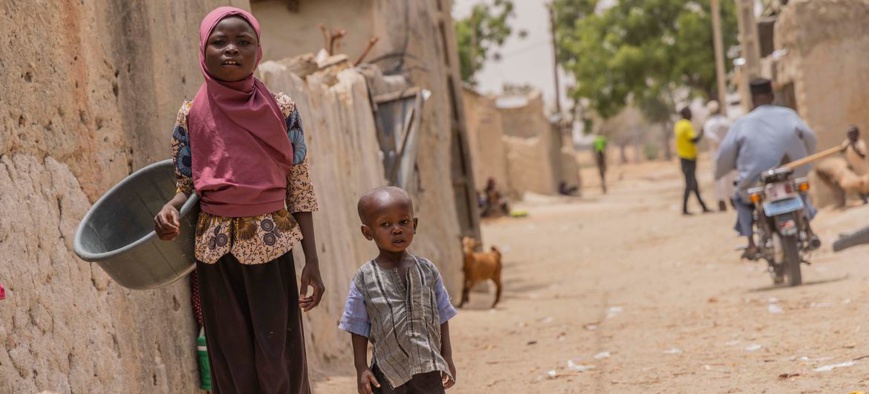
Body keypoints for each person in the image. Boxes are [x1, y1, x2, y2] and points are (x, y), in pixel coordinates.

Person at [153, 7, 325, 393]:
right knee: (230, 357)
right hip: (215, 253)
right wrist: (169, 210)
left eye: (243, 42)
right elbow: (186, 184)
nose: (231, 49)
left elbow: (298, 184)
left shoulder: (281, 109)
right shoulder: (190, 113)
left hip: (273, 245)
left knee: (277, 353)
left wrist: (311, 259)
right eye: (219, 42)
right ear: (203, 49)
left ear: (258, 52)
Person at [339, 186, 458, 394]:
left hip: (428, 367)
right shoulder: (364, 278)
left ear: (415, 225)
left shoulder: (427, 270)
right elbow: (357, 325)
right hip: (387, 372)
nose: (397, 229)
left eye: (404, 222)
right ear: (368, 232)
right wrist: (361, 367)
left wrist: (446, 356)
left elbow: (442, 315)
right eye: (385, 224)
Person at [716, 78, 820, 261]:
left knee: (741, 200)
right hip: (791, 173)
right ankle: (809, 230)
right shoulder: (789, 115)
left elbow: (725, 154)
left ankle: (751, 243)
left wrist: (722, 172)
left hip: (755, 181)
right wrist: (805, 162)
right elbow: (810, 138)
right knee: (801, 194)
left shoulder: (742, 123)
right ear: (771, 96)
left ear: (752, 99)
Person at [674, 106, 711, 215]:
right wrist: (701, 133)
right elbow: (693, 140)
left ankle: (703, 207)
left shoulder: (678, 125)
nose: (691, 115)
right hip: (689, 157)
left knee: (693, 183)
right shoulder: (687, 125)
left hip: (683, 157)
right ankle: (684, 209)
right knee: (690, 184)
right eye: (690, 113)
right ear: (686, 114)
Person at [703, 101, 735, 212]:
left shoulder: (709, 124)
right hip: (729, 152)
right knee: (731, 176)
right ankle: (732, 198)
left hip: (716, 154)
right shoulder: (727, 122)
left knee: (719, 178)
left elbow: (712, 139)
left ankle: (721, 201)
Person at [841, 125, 869, 204]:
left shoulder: (860, 143)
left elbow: (863, 155)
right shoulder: (847, 142)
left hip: (862, 166)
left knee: (866, 182)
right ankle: (863, 198)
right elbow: (841, 150)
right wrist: (847, 145)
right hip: (854, 167)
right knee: (857, 184)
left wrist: (854, 147)